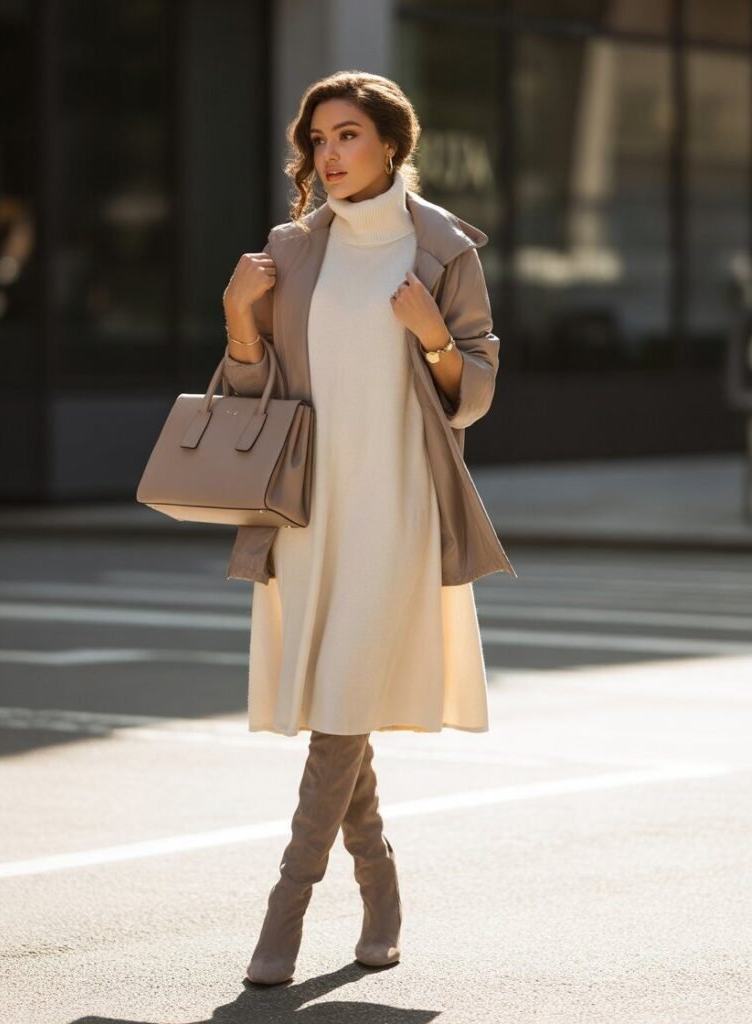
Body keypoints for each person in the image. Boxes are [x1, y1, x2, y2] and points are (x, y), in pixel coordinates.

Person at [221, 70, 516, 986]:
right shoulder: (288, 251)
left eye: (347, 135)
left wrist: (433, 337)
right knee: (337, 703)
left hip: (396, 506)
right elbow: (245, 399)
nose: (329, 154)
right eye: (317, 139)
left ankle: (286, 909)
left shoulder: (442, 251)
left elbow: (474, 395)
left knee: (341, 696)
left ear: (392, 144)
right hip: (309, 507)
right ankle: (379, 883)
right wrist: (238, 318)